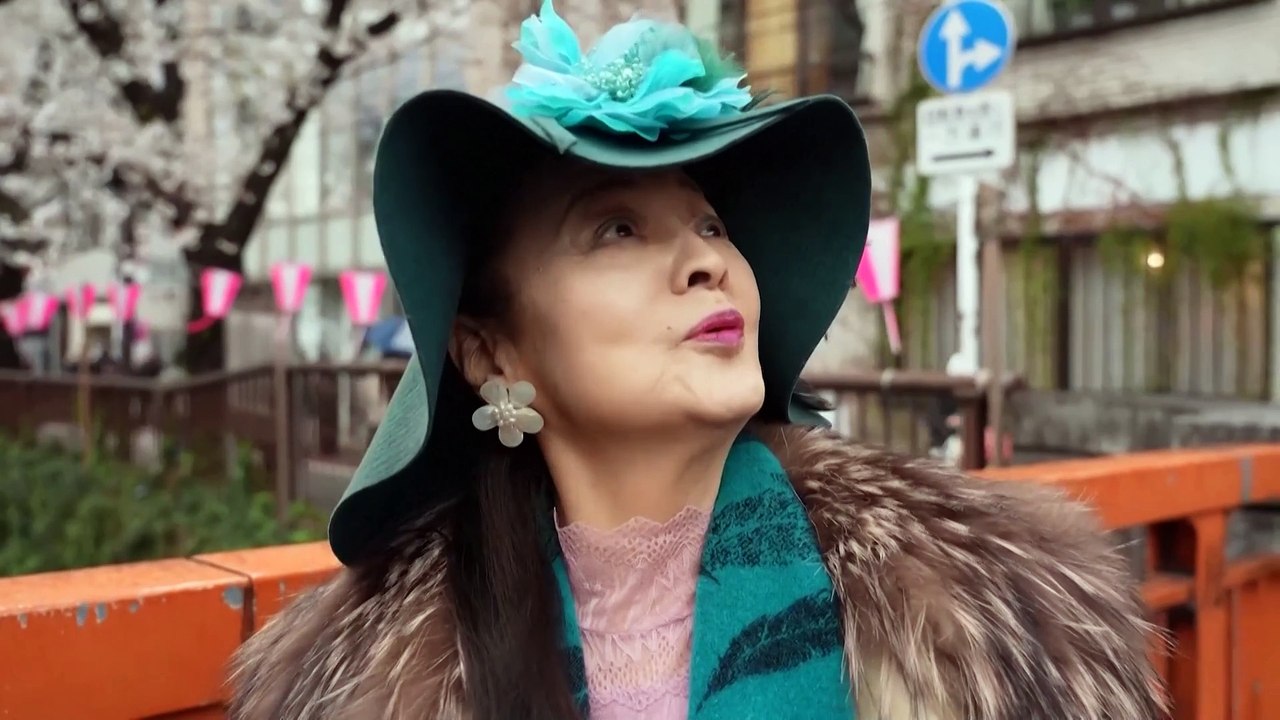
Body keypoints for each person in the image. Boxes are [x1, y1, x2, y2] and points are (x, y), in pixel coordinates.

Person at [229, 3, 1164, 719]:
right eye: (617, 227)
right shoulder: (360, 680)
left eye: (710, 222)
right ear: (490, 349)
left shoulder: (991, 612)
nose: (708, 260)